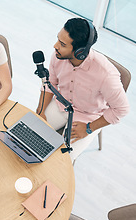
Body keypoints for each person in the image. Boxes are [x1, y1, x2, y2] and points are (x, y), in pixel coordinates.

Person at [36, 18, 129, 163]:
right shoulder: (57, 55)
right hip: (61, 103)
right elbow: (49, 83)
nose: (55, 46)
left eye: (62, 44)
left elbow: (121, 110)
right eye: (58, 40)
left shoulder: (106, 75)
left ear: (80, 52)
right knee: (33, 132)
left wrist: (89, 128)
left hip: (88, 116)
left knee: (63, 160)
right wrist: (40, 111)